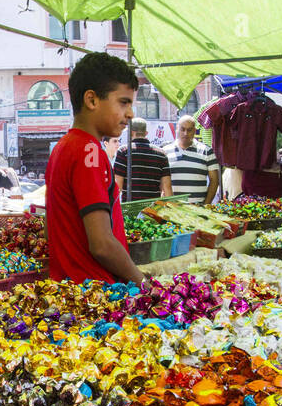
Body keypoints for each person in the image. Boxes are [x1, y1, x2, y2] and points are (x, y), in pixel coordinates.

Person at [44, 51, 145, 285]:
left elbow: (51, 227)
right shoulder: (91, 153)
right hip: (95, 292)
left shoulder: (62, 147)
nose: (130, 113)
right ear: (91, 100)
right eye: (123, 102)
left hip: (68, 289)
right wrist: (143, 282)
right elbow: (102, 245)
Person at [162, 116, 220, 202]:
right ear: (176, 129)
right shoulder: (165, 152)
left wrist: (206, 204)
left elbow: (214, 180)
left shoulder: (207, 151)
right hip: (172, 210)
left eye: (189, 130)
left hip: (198, 210)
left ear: (194, 131)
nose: (185, 133)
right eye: (182, 129)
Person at [111, 118, 169, 200]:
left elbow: (117, 186)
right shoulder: (162, 154)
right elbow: (167, 189)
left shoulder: (123, 151)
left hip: (130, 208)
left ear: (131, 132)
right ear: (146, 133)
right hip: (152, 209)